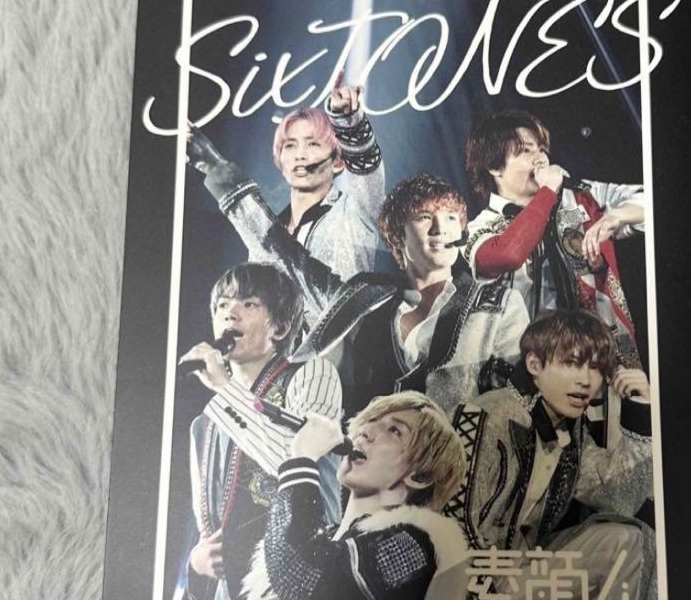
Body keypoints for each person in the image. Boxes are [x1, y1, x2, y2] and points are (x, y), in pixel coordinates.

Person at [238, 172, 531, 420]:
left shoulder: (499, 304)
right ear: (397, 236)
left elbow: (516, 403)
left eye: (451, 217)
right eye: (424, 217)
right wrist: (225, 180)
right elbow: (290, 259)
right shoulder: (366, 299)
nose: (440, 229)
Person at [446, 309, 657, 600]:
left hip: (523, 576)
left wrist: (641, 412)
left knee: (629, 539)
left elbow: (619, 498)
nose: (586, 380)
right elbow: (453, 530)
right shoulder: (484, 416)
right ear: (534, 364)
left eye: (596, 368)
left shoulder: (570, 431)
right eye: (572, 363)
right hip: (471, 593)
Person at [165, 263, 343, 600]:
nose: (230, 313)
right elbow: (208, 521)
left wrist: (224, 389)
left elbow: (298, 462)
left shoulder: (311, 375)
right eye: (222, 305)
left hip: (295, 595)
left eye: (248, 304)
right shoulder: (204, 425)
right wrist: (197, 563)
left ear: (279, 327)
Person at [232, 392, 470, 600]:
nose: (366, 431)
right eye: (371, 420)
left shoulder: (414, 547)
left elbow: (303, 574)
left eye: (394, 430)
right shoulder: (324, 540)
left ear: (420, 476)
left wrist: (302, 458)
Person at [462, 110, 646, 365]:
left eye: (541, 149)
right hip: (532, 368)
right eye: (526, 151)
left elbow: (651, 200)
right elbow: (508, 255)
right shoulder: (480, 227)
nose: (541, 159)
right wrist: (547, 191)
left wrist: (614, 217)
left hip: (606, 360)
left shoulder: (583, 197)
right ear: (494, 166)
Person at [186, 75, 386, 286]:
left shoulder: (357, 212)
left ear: (338, 162)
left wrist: (348, 121)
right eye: (290, 145)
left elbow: (366, 168)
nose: (300, 154)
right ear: (278, 160)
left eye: (313, 144)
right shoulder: (265, 233)